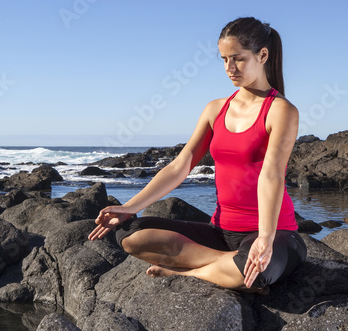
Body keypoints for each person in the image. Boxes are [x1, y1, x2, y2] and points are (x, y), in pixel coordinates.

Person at [88, 17, 306, 292]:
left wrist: (265, 237)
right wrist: (129, 207)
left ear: (262, 55)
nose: (229, 68)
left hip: (275, 234)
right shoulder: (215, 109)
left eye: (237, 59)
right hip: (219, 233)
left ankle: (190, 271)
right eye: (224, 59)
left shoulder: (281, 110)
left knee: (258, 274)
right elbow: (181, 165)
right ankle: (223, 265)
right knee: (129, 234)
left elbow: (271, 175)